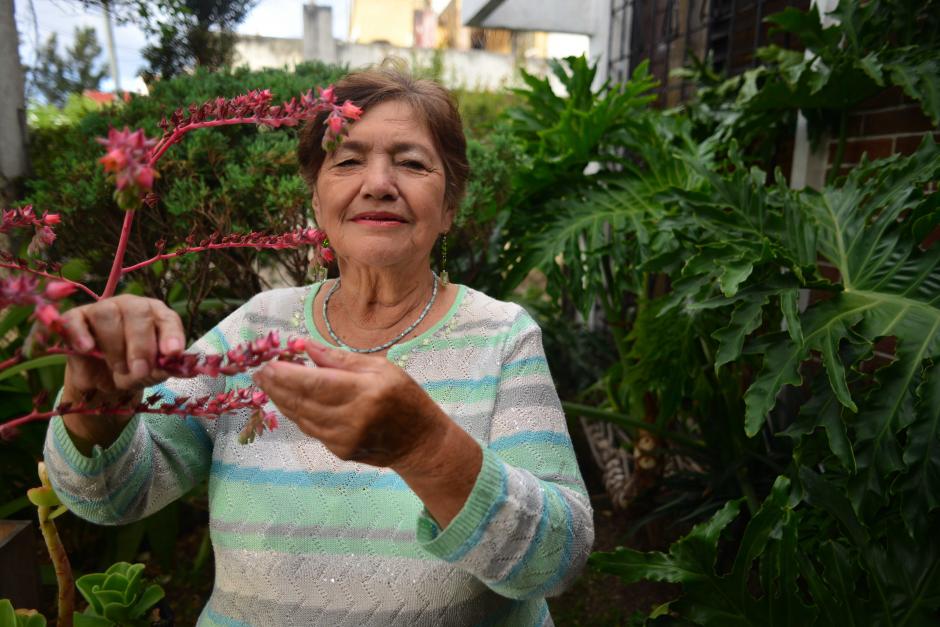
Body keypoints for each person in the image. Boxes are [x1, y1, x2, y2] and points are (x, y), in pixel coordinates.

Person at [44, 67, 594, 626]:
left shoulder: (501, 336)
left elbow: (556, 561)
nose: (378, 183)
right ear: (316, 198)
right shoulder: (257, 329)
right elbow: (114, 498)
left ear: (449, 205)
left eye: (410, 162)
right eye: (348, 160)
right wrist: (95, 412)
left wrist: (426, 448)